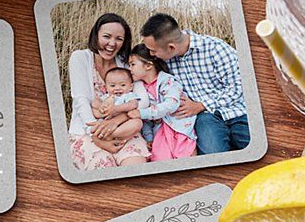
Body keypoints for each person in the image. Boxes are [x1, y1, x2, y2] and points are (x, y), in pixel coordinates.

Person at [141, 13, 249, 155]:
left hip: (237, 111)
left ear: (171, 47)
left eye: (153, 50)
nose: (151, 54)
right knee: (213, 154)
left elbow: (239, 87)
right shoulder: (163, 62)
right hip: (204, 118)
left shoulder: (215, 48)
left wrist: (201, 105)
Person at [67, 13, 150, 170]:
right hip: (88, 131)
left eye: (119, 39)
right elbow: (81, 100)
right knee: (104, 167)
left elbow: (143, 100)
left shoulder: (127, 62)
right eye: (106, 36)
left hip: (125, 129)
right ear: (96, 35)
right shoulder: (79, 58)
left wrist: (116, 120)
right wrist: (97, 137)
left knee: (135, 167)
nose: (112, 43)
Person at [99, 44, 197, 161]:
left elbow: (171, 104)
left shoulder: (168, 81)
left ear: (148, 65)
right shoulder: (141, 89)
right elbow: (145, 121)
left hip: (179, 129)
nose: (130, 69)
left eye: (133, 64)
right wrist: (149, 137)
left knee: (186, 161)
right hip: (160, 132)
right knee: (160, 162)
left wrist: (142, 113)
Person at [88, 67, 150, 166]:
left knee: (138, 123)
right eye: (112, 85)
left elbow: (134, 105)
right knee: (95, 122)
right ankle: (105, 134)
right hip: (105, 124)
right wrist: (102, 109)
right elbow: (94, 106)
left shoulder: (128, 96)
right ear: (106, 87)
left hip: (123, 126)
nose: (117, 88)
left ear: (130, 86)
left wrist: (116, 109)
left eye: (122, 85)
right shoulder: (105, 98)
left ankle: (110, 135)